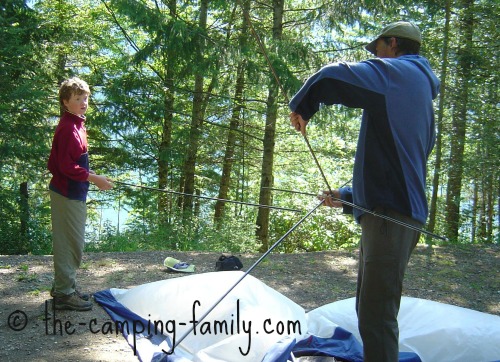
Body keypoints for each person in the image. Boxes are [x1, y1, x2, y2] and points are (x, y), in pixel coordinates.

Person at [289, 21, 440, 361]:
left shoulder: (400, 73)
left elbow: (333, 75)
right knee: (372, 310)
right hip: (395, 215)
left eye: (378, 51)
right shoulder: (419, 96)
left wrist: (303, 106)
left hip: (390, 218)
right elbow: (396, 165)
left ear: (392, 44)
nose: (376, 58)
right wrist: (348, 197)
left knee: (377, 318)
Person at [48, 77, 113, 311]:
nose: (84, 102)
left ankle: (64, 286)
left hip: (75, 191)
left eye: (85, 98)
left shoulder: (77, 123)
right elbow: (63, 166)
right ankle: (64, 294)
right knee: (69, 244)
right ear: (66, 102)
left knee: (73, 242)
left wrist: (91, 175)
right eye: (78, 99)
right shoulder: (67, 127)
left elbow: (74, 162)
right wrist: (94, 179)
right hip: (66, 194)